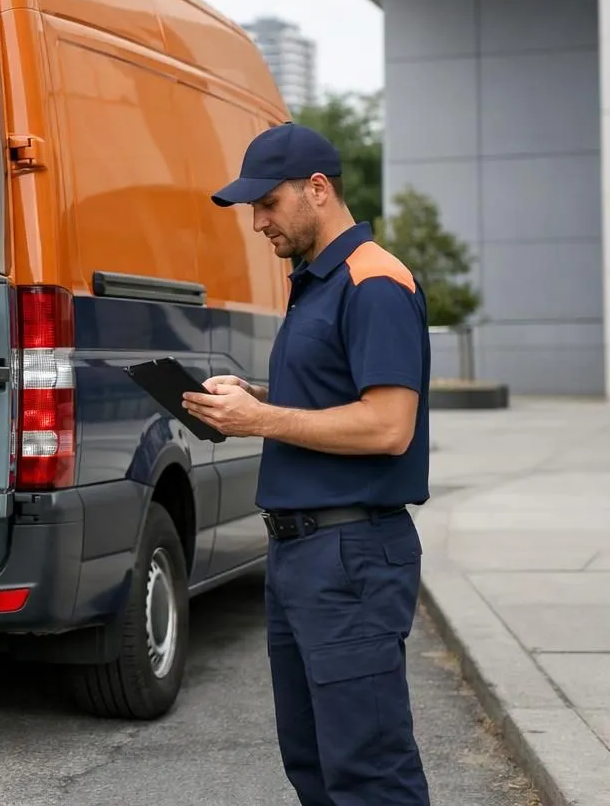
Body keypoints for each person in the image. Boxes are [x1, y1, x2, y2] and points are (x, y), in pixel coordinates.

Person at [181, 122, 432, 806]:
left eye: (267, 203)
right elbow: (336, 396)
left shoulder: (373, 281)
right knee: (314, 762)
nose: (257, 221)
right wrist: (254, 398)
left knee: (368, 771)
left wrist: (259, 420)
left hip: (350, 553)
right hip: (302, 555)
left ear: (317, 189)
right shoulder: (316, 281)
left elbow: (388, 425)